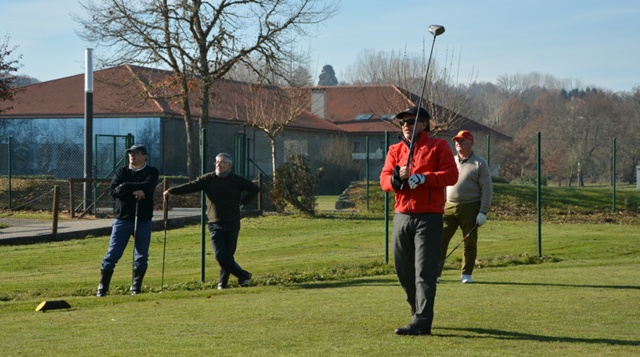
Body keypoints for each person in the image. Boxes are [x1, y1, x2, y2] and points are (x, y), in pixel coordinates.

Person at [380, 106, 458, 336]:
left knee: (424, 270)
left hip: (429, 217)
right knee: (403, 269)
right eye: (403, 122)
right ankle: (418, 312)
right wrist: (396, 178)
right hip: (402, 216)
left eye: (412, 121)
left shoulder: (438, 146)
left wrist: (425, 178)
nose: (406, 125)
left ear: (425, 124)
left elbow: (451, 175)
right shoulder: (395, 150)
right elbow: (384, 179)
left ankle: (422, 322)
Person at [163, 153, 259, 289]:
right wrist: (171, 191)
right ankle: (243, 275)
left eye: (222, 162)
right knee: (220, 255)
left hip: (232, 222)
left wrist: (243, 202)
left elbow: (255, 188)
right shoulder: (208, 179)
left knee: (228, 256)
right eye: (216, 162)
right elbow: (190, 186)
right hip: (215, 224)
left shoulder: (236, 180)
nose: (218, 165)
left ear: (229, 166)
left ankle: (223, 284)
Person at [97, 144, 159, 296]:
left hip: (143, 219)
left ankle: (136, 287)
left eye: (136, 153)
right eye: (130, 153)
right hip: (122, 220)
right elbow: (113, 192)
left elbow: (148, 186)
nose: (132, 156)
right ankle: (102, 288)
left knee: (141, 255)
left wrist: (125, 186)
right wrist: (133, 190)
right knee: (112, 254)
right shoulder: (121, 171)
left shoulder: (152, 171)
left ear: (144, 156)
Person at [438, 130, 493, 284]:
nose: (458, 143)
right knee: (440, 240)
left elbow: (487, 190)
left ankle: (466, 273)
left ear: (470, 142)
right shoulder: (451, 161)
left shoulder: (479, 163)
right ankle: (435, 273)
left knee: (469, 242)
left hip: (470, 207)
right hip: (449, 206)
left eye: (462, 141)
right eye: (456, 141)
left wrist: (483, 211)